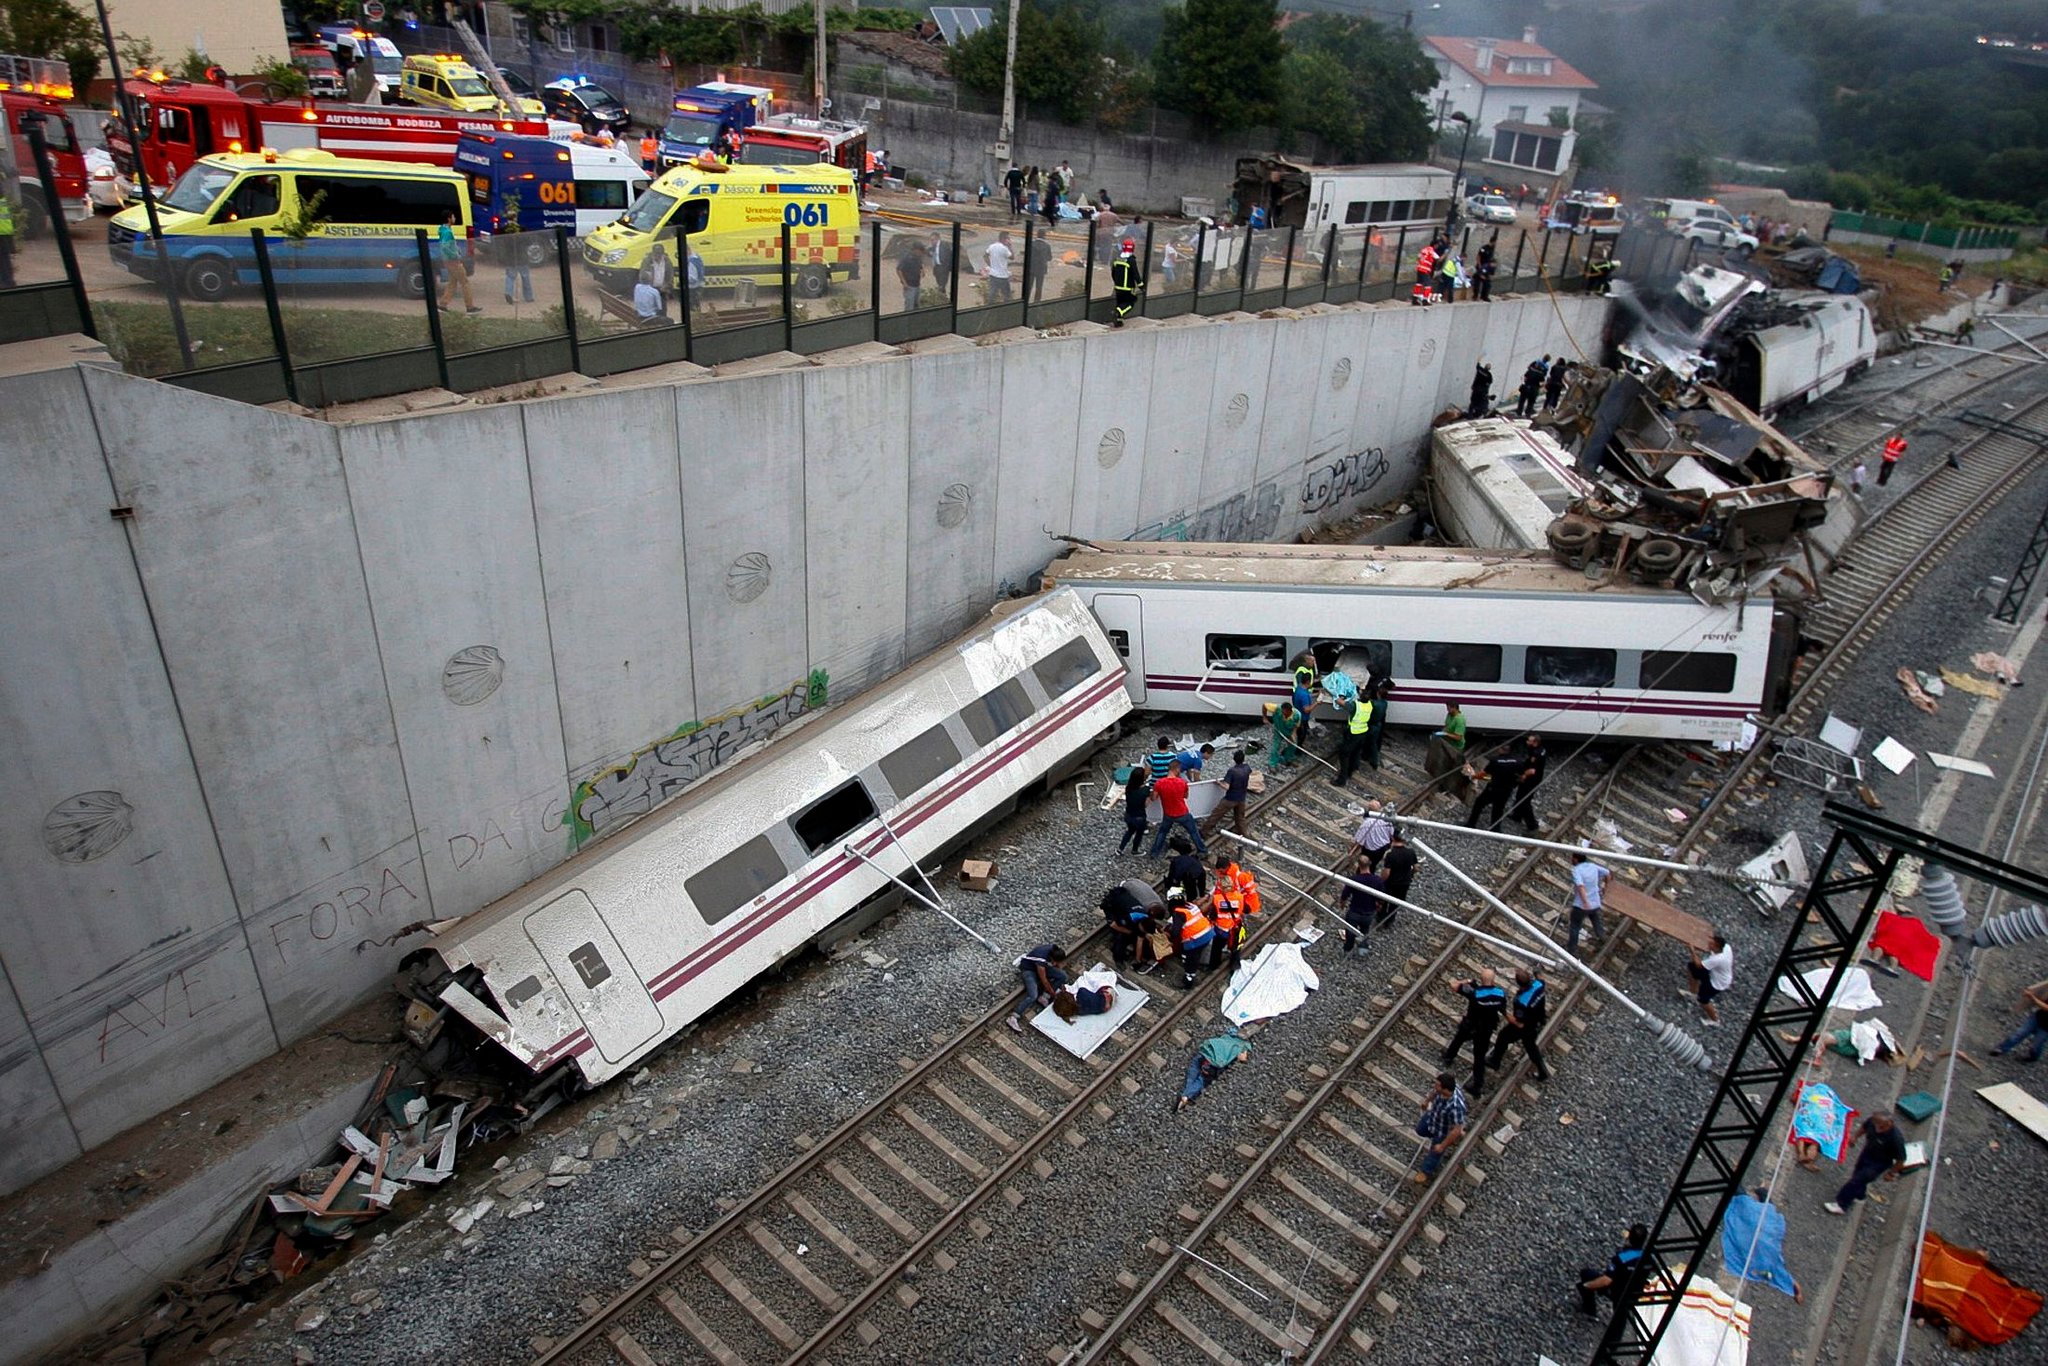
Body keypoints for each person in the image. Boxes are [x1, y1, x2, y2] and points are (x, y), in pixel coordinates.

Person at [1823, 1112, 1908, 1214]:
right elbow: (1864, 1127)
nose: (1877, 1129)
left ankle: (1841, 1204)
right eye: (1876, 1125)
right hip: (1867, 1153)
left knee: (1857, 1180)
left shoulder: (1896, 1139)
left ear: (1889, 1124)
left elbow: (1901, 1159)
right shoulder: (1873, 1122)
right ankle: (1859, 1195)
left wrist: (1891, 1173)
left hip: (1879, 1163)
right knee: (1857, 1173)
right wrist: (1855, 1136)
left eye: (1881, 1127)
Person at [1444, 969, 1508, 1095]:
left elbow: (1454, 985)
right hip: (1486, 1029)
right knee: (1479, 1057)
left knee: (1458, 1039)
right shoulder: (1500, 993)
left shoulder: (1475, 993)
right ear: (1494, 980)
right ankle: (1477, 1086)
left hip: (1471, 1025)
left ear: (1481, 979)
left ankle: (1448, 1057)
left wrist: (1468, 981)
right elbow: (1502, 1007)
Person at [1487, 967, 1551, 1081]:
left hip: (1526, 1026)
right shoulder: (1539, 985)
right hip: (1538, 1018)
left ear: (1518, 983)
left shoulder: (1521, 1001)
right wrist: (1537, 971)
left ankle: (1494, 1061)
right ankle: (1542, 1072)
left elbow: (1519, 1023)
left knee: (1503, 1037)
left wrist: (1503, 1011)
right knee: (1531, 1047)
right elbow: (1541, 978)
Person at [1577, 1224, 1650, 1318]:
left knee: (1586, 1274)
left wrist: (1585, 1286)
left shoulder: (1622, 1258)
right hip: (1635, 1292)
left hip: (1617, 1291)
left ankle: (1590, 1310)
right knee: (1620, 1319)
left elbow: (1606, 1280)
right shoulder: (1648, 1258)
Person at [1413, 1072, 1467, 1183]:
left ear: (1445, 1089)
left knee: (1435, 1152)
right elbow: (1434, 1093)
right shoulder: (1440, 1090)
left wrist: (1442, 1145)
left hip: (1443, 1130)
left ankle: (1425, 1171)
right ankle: (1452, 1137)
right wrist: (1427, 1101)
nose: (1434, 1087)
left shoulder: (1456, 1106)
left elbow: (1456, 1128)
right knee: (1420, 1130)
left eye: (1437, 1085)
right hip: (1433, 1118)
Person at [1177, 1032, 1252, 1111]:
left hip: (1204, 1053)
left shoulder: (1229, 1035)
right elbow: (1243, 1058)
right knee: (1201, 1080)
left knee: (1193, 1072)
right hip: (1212, 1064)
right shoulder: (1244, 1046)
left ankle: (1185, 1094)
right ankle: (1186, 1096)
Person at [1101, 878, 1164, 967]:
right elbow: (1113, 925)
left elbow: (1140, 941)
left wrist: (1138, 960)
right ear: (1141, 926)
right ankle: (1118, 958)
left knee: (1133, 935)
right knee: (1120, 936)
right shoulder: (1129, 918)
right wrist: (1130, 932)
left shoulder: (1145, 918)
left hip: (1126, 903)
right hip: (1112, 903)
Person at [1149, 758, 1206, 856]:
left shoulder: (1159, 783)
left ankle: (1154, 852)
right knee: (1193, 832)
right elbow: (1186, 796)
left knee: (1162, 832)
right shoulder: (1182, 782)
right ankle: (1202, 850)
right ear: (1177, 769)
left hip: (1168, 814)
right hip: (1182, 813)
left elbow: (1153, 798)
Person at [1006, 943, 1068, 1032]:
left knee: (1063, 976)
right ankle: (1013, 1017)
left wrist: (1060, 980)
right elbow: (1045, 981)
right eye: (1055, 962)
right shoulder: (1041, 960)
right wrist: (1054, 995)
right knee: (1033, 995)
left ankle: (1044, 998)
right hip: (1028, 970)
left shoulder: (1054, 949)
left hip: (1041, 966)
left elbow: (1058, 965)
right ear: (1052, 959)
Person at [1467, 747, 1525, 830]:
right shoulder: (1518, 761)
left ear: (1501, 750)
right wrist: (1514, 783)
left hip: (1494, 788)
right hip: (1507, 790)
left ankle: (1471, 823)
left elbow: (1483, 774)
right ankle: (1495, 828)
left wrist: (1473, 776)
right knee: (1499, 808)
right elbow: (1522, 777)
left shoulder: (1495, 761)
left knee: (1479, 803)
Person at [1167, 892, 1217, 989]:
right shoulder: (1190, 906)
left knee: (1190, 959)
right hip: (1208, 932)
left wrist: (1169, 934)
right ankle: (1192, 966)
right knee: (1195, 955)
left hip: (1196, 940)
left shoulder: (1179, 913)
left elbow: (1175, 932)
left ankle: (1188, 980)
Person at [1568, 846, 1611, 954]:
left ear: (1576, 859)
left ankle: (1572, 950)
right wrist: (1606, 887)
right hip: (1595, 902)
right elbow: (1607, 873)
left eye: (1573, 858)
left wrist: (1585, 902)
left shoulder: (1576, 870)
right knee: (1595, 918)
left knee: (1574, 926)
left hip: (1581, 905)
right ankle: (1602, 936)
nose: (1571, 859)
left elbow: (1580, 886)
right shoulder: (1593, 866)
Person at [1201, 748, 1253, 839]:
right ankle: (1244, 834)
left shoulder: (1232, 771)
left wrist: (1218, 783)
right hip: (1241, 798)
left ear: (1234, 759)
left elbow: (1226, 786)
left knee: (1216, 815)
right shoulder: (1247, 768)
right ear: (1243, 759)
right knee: (1240, 817)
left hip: (1231, 798)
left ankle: (1204, 831)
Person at [1686, 932, 1734, 1026]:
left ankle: (1714, 1020)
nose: (1708, 944)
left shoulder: (1718, 959)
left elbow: (1699, 965)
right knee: (1692, 968)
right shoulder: (1726, 947)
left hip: (1717, 983)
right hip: (1714, 972)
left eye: (1711, 944)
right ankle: (1693, 993)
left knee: (1703, 999)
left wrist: (1692, 951)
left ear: (1717, 947)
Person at [437, 210, 480, 314]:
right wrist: (456, 255)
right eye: (453, 217)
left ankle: (443, 304)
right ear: (449, 219)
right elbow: (445, 246)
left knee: (452, 283)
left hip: (448, 261)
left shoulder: (442, 230)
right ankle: (470, 307)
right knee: (465, 282)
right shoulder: (448, 232)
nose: (454, 218)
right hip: (453, 261)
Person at [1990, 984, 2048, 1061]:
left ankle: (2032, 1057)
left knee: (2037, 1045)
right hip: (2038, 1018)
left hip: (2046, 1028)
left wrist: (2032, 998)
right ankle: (2001, 1049)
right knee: (2019, 1033)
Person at [1341, 868, 1387, 957]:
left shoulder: (1354, 879)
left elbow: (1345, 894)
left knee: (1350, 932)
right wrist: (1379, 906)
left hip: (1354, 912)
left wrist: (1342, 904)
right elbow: (1382, 897)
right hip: (1369, 913)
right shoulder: (1377, 880)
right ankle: (1362, 949)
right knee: (1365, 930)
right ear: (1369, 866)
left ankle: (1348, 950)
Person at [1508, 732, 1548, 832]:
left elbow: (1532, 770)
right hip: (1535, 777)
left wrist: (1523, 775)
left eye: (1529, 741)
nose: (1527, 742)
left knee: (1524, 801)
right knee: (1519, 795)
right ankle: (1517, 815)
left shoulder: (1536, 753)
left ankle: (1532, 825)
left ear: (1535, 743)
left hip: (1532, 780)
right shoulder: (1540, 749)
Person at [1334, 692, 1373, 787]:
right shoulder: (1369, 705)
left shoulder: (1355, 706)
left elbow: (1339, 701)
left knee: (1344, 754)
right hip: (1363, 732)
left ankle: (1341, 780)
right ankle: (1350, 772)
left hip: (1353, 733)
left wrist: (1341, 696)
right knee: (1355, 753)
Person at [1378, 831, 1417, 922]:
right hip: (1404, 883)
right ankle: (1390, 919)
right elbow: (1416, 867)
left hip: (1391, 883)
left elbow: (1387, 872)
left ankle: (1381, 917)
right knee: (1396, 902)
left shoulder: (1390, 854)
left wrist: (1381, 881)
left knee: (1385, 900)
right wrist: (1411, 874)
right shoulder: (1411, 852)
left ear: (1392, 839)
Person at [1350, 800, 1395, 873]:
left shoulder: (1366, 823)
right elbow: (1391, 834)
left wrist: (1352, 851)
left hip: (1371, 850)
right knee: (1373, 864)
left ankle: (1361, 879)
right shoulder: (1386, 820)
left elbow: (1359, 841)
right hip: (1384, 847)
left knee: (1366, 866)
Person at [1117, 764, 1152, 855]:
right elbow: (1146, 804)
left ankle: (1120, 849)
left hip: (1129, 814)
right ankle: (1135, 850)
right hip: (1139, 817)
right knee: (1139, 834)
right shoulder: (1145, 790)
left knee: (1129, 831)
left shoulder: (1128, 788)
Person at [1361, 674, 1393, 771]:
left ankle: (1365, 756)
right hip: (1379, 725)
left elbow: (1366, 703)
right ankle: (1374, 761)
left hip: (1371, 725)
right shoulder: (1384, 703)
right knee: (1375, 742)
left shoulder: (1373, 704)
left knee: (1367, 741)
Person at [1111, 236, 1144, 328]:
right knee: (1130, 303)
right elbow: (1135, 274)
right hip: (1128, 287)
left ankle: (1119, 321)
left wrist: (1116, 282)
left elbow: (1113, 272)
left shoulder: (1117, 259)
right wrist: (1141, 286)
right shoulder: (1131, 260)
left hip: (1118, 287)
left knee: (1120, 302)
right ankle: (1118, 312)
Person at [1166, 834, 1208, 903]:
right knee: (1201, 888)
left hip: (1190, 875)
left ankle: (1190, 901)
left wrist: (1173, 885)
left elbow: (1175, 876)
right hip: (1201, 872)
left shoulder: (1176, 861)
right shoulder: (1192, 858)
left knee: (1190, 890)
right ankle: (1201, 896)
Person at [1267, 700, 1303, 771]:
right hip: (1279, 731)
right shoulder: (1276, 708)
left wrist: (1293, 735)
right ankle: (1272, 764)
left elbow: (1296, 727)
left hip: (1289, 731)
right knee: (1275, 747)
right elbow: (1264, 706)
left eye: (1286, 713)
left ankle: (1288, 759)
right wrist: (1264, 717)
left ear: (1290, 711)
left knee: (1293, 745)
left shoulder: (1297, 715)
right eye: (1283, 712)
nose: (1284, 714)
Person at [895, 240, 927, 310]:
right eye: (921, 250)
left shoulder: (918, 257)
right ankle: (907, 320)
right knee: (909, 307)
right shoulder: (906, 257)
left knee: (916, 305)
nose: (922, 252)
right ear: (916, 250)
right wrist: (904, 283)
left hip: (917, 284)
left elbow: (921, 263)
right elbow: (898, 270)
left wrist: (923, 270)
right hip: (909, 286)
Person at [984, 230, 1013, 303]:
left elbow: (985, 256)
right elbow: (1012, 257)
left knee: (992, 295)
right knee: (1007, 296)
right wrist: (1010, 246)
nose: (1009, 240)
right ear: (1004, 239)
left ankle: (989, 309)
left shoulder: (992, 246)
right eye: (1008, 238)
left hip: (993, 274)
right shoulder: (1004, 248)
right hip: (1003, 276)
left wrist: (990, 264)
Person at [0, 186, 14, 289]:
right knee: (4, 257)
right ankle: (8, 282)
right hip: (4, 229)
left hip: (2, 229)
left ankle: (6, 282)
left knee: (3, 258)